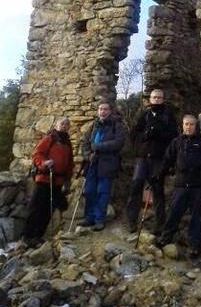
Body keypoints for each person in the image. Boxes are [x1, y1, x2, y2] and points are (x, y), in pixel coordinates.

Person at [154, 114, 201, 258]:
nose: (188, 127)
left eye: (191, 124)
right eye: (186, 124)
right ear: (182, 125)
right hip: (181, 184)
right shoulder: (176, 142)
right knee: (174, 212)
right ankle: (165, 238)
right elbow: (167, 160)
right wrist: (158, 175)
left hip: (197, 185)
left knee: (196, 217)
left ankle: (194, 247)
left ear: (196, 126)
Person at [126, 89, 177, 234]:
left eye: (159, 97)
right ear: (150, 99)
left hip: (158, 159)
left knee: (157, 189)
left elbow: (174, 136)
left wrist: (159, 134)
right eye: (154, 97)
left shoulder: (168, 116)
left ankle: (159, 224)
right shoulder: (144, 115)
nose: (156, 99)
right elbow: (134, 133)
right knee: (136, 186)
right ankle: (132, 221)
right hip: (143, 158)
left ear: (163, 99)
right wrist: (145, 135)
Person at [22, 117, 74, 248]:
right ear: (56, 125)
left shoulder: (67, 142)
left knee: (48, 210)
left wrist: (68, 180)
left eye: (67, 124)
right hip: (45, 179)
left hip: (58, 182)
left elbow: (69, 163)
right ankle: (27, 236)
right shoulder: (50, 138)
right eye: (62, 123)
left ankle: (38, 236)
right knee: (36, 207)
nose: (64, 126)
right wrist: (44, 163)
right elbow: (37, 153)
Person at [80, 100, 125, 231]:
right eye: (100, 109)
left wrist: (99, 147)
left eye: (105, 109)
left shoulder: (117, 125)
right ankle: (89, 218)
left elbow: (119, 142)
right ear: (98, 111)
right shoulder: (93, 125)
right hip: (92, 163)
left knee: (102, 192)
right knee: (89, 191)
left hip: (108, 164)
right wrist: (88, 155)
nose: (102, 111)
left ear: (110, 111)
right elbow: (85, 143)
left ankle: (99, 219)